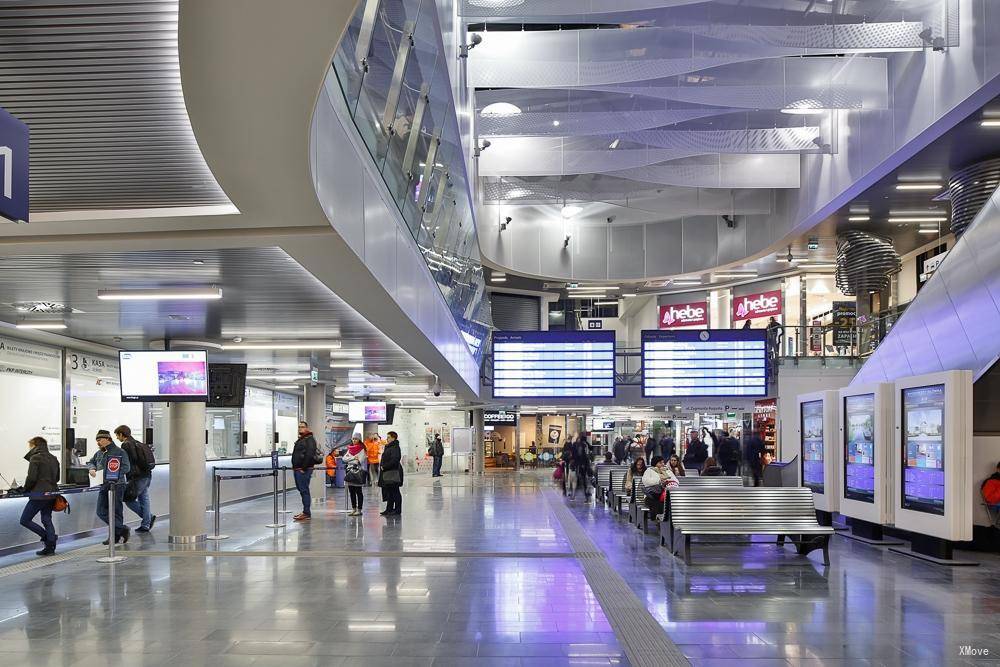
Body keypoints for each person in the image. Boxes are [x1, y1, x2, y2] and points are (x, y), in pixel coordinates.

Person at [88, 429, 131, 544]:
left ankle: (115, 536)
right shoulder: (99, 453)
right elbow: (90, 462)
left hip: (117, 485)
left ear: (108, 439)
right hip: (103, 485)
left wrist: (111, 474)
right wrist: (92, 468)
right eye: (97, 440)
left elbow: (126, 468)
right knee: (100, 511)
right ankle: (122, 529)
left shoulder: (120, 452)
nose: (98, 442)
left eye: (100, 439)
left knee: (116, 510)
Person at [19, 436, 60, 556]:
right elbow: (57, 478)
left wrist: (25, 489)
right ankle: (50, 547)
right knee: (47, 519)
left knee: (25, 520)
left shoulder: (35, 458)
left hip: (39, 495)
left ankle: (48, 538)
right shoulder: (54, 458)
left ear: (34, 445)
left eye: (30, 445)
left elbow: (31, 478)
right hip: (52, 493)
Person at [116, 425, 156, 533]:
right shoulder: (138, 443)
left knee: (128, 499)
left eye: (117, 435)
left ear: (121, 434)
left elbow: (130, 461)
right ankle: (146, 524)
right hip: (147, 474)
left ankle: (148, 518)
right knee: (144, 498)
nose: (117, 438)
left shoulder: (126, 445)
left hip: (137, 477)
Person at [291, 421, 319, 522]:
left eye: (302, 427)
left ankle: (306, 512)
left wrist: (303, 468)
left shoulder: (309, 439)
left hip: (303, 470)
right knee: (302, 490)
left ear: (307, 428)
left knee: (304, 490)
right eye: (299, 427)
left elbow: (310, 454)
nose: (300, 429)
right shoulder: (301, 439)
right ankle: (305, 511)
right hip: (298, 469)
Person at [641, 456, 679, 520]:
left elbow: (676, 481)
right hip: (652, 495)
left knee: (668, 501)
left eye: (663, 462)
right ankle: (658, 520)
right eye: (660, 463)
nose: (662, 464)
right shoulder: (649, 471)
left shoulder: (667, 470)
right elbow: (646, 482)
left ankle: (668, 520)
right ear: (655, 463)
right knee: (657, 502)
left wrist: (667, 481)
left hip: (665, 494)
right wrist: (659, 480)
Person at [378, 431, 403, 516]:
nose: (387, 439)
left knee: (395, 491)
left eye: (388, 437)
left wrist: (385, 466)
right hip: (387, 472)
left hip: (393, 472)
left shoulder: (395, 447)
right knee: (389, 492)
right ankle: (389, 509)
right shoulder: (389, 447)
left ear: (393, 438)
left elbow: (395, 459)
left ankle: (397, 510)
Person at [342, 436, 367, 516]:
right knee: (351, 491)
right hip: (349, 472)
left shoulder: (362, 449)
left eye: (356, 439)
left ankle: (359, 510)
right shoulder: (350, 449)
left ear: (359, 439)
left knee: (358, 492)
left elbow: (358, 461)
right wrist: (353, 457)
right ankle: (353, 509)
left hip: (357, 472)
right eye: (353, 439)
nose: (354, 440)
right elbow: (344, 459)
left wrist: (350, 459)